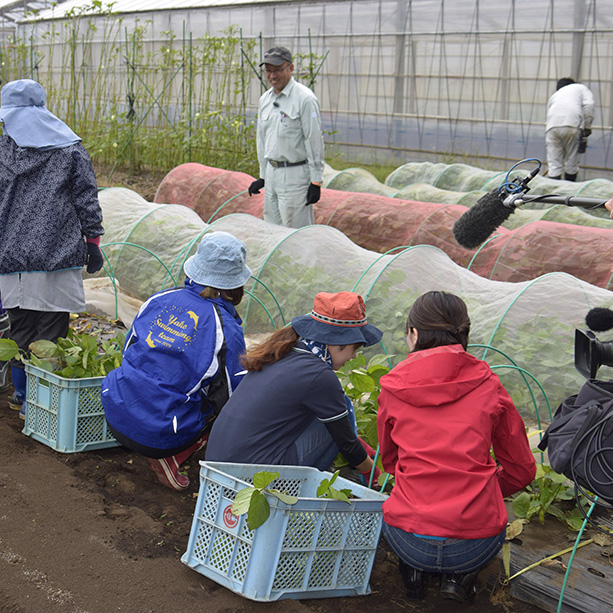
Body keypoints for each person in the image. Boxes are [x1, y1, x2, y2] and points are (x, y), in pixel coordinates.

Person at [377, 291, 536, 603]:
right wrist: (488, 488)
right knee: (475, 533)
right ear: (464, 334)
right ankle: (459, 577)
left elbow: (390, 461)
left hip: (409, 537)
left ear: (414, 333)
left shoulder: (393, 386)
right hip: (475, 542)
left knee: (397, 515)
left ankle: (413, 575)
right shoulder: (489, 384)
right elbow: (522, 469)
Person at [101, 232, 251, 492]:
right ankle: (173, 456)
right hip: (159, 435)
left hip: (115, 413)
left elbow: (128, 350)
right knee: (225, 409)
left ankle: (147, 430)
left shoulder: (159, 299)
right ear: (235, 284)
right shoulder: (224, 327)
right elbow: (231, 395)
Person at [0, 79, 105, 418]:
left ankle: (21, 394)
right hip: (55, 256)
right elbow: (86, 199)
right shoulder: (69, 149)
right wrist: (93, 241)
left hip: (11, 257)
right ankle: (41, 403)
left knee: (21, 328)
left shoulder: (3, 150)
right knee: (51, 332)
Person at [205, 291, 381, 479]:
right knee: (339, 412)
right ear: (339, 342)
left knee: (332, 412)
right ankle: (304, 488)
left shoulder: (283, 352)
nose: (354, 356)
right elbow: (347, 444)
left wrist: (356, 442)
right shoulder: (320, 375)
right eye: (355, 349)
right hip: (251, 478)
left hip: (216, 466)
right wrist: (374, 473)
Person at [247, 46, 325, 229]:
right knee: (272, 229)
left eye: (278, 70)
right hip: (273, 174)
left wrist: (315, 180)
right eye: (268, 70)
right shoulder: (265, 100)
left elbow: (313, 140)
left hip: (295, 176)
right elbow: (262, 139)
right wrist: (263, 176)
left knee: (296, 234)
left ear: (290, 68)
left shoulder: (304, 99)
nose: (272, 75)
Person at [545, 77, 595, 181]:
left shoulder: (555, 95)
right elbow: (589, 105)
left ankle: (552, 193)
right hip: (572, 124)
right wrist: (587, 126)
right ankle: (569, 192)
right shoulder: (580, 88)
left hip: (551, 126)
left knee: (554, 165)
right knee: (571, 162)